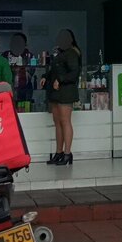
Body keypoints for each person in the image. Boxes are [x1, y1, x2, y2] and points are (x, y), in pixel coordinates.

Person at [42, 29, 81, 165]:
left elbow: (74, 73)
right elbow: (55, 69)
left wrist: (61, 80)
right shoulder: (61, 53)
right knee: (57, 122)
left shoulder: (72, 53)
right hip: (55, 91)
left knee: (65, 121)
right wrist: (45, 76)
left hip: (66, 91)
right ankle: (59, 152)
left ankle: (67, 153)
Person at [3, 32, 33, 104]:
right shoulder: (6, 54)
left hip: (26, 88)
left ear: (25, 44)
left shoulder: (29, 55)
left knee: (25, 107)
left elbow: (32, 71)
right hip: (9, 87)